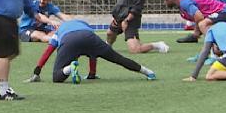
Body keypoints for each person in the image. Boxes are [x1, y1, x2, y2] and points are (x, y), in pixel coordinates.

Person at [26, 19, 156, 83]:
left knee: (56, 77)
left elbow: (48, 52)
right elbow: (93, 54)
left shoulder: (59, 31)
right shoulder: (85, 26)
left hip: (69, 40)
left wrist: (37, 71)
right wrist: (92, 74)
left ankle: (70, 68)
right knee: (118, 58)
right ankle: (147, 71)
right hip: (90, 37)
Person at [159, 0, 226, 43]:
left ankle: (214, 47)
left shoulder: (184, 2)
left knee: (203, 24)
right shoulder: (182, 2)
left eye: (164, 0)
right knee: (206, 25)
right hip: (222, 12)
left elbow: (199, 17)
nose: (164, 3)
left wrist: (196, 32)